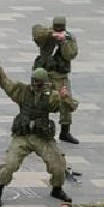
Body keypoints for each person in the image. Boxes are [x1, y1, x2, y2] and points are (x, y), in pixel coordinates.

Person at [0, 56, 74, 207]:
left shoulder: (51, 96)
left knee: (58, 165)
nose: (37, 85)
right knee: (10, 165)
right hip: (23, 136)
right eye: (35, 82)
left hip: (42, 137)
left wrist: (65, 98)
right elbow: (6, 83)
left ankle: (57, 189)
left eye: (40, 83)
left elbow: (69, 107)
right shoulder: (23, 91)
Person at [32, 16, 79, 144]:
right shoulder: (46, 33)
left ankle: (65, 131)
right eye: (56, 27)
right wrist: (50, 34)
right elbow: (36, 32)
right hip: (45, 74)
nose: (58, 30)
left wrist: (63, 42)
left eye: (60, 28)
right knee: (41, 100)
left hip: (60, 75)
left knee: (66, 101)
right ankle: (40, 128)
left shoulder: (69, 38)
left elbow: (70, 55)